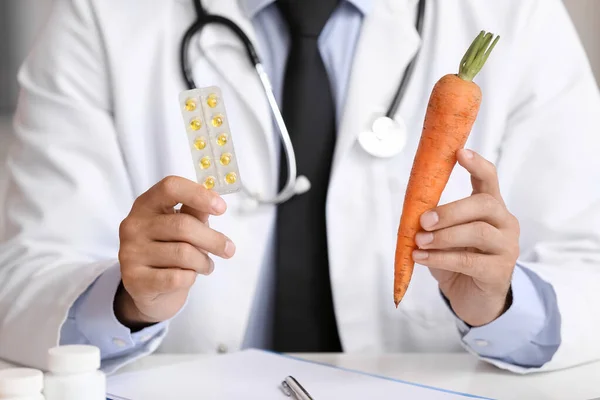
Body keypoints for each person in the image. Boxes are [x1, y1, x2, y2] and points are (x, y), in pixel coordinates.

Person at [0, 0, 599, 376]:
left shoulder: (521, 15)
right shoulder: (99, 17)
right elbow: (23, 275)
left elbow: (588, 266)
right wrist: (124, 301)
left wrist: (502, 304)